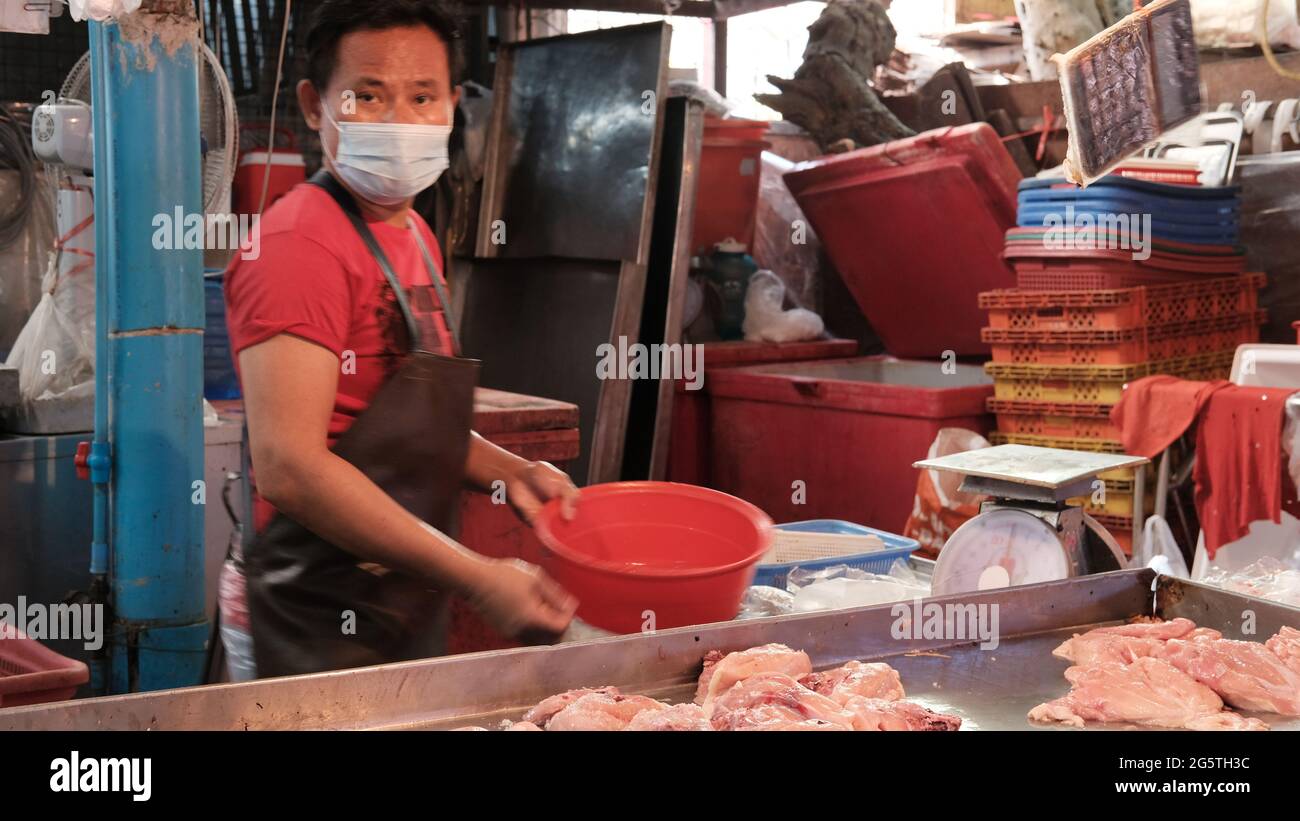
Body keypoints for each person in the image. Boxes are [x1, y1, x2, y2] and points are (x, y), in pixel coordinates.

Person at [220, 0, 578, 679]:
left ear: (452, 104)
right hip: (310, 611)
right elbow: (290, 467)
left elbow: (395, 422)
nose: (400, 121)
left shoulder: (411, 233)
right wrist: (475, 574)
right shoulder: (299, 243)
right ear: (314, 104)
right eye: (368, 95)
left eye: (422, 96)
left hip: (397, 594)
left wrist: (513, 472)